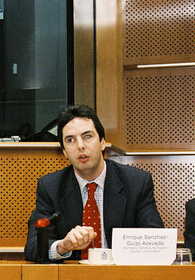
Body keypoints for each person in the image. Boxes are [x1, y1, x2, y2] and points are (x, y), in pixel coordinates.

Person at [24, 105, 163, 262]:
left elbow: (156, 240)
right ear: (64, 152)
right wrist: (63, 246)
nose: (80, 146)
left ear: (102, 142)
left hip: (123, 277)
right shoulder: (50, 187)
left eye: (87, 136)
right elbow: (33, 247)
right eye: (70, 140)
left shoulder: (136, 182)